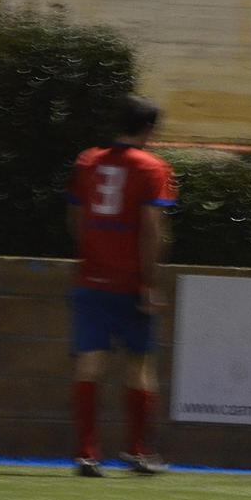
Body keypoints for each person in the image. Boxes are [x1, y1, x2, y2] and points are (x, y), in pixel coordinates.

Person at [67, 95, 177, 477]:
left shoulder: (87, 161)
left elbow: (76, 217)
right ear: (148, 128)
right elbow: (151, 229)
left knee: (90, 363)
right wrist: (149, 282)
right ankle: (138, 451)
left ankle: (86, 454)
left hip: (91, 279)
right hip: (130, 283)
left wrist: (91, 257)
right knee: (140, 365)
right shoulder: (152, 167)